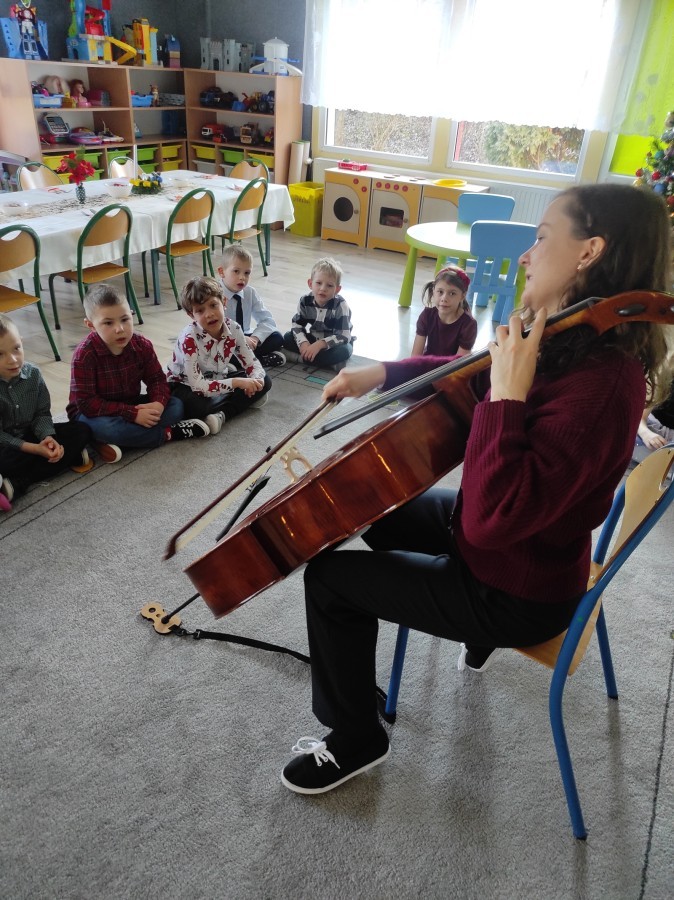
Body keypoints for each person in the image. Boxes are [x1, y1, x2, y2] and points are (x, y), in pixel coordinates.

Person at [279, 183, 672, 795]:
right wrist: (381, 373)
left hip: (515, 591)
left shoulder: (601, 386)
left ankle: (356, 736)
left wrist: (507, 397)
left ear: (589, 251)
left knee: (330, 581)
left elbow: (493, 517)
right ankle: (387, 654)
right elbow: (469, 374)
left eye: (542, 238)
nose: (526, 255)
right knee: (377, 506)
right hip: (518, 547)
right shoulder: (570, 340)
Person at [67, 284, 209, 463]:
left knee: (175, 406)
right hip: (93, 414)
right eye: (108, 323)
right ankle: (168, 434)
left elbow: (156, 379)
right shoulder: (84, 355)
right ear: (91, 325)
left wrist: (157, 404)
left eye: (125, 319)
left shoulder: (141, 344)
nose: (120, 329)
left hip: (131, 403)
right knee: (106, 428)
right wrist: (132, 414)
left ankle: (112, 442)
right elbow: (87, 403)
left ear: (132, 314)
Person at [0, 313, 91, 509]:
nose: (13, 359)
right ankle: (24, 480)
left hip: (32, 435)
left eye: (16, 348)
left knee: (81, 430)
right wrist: (35, 449)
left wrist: (48, 438)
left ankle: (17, 480)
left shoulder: (33, 374)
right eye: (0, 354)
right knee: (5, 462)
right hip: (6, 446)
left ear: (22, 342)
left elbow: (42, 414)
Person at [166, 275, 271, 435]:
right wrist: (238, 383)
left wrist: (256, 380)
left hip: (217, 377)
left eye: (213, 305)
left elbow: (252, 363)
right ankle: (235, 403)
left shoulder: (234, 328)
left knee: (265, 381)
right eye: (200, 310)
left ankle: (223, 414)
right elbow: (198, 386)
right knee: (198, 406)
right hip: (184, 385)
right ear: (191, 315)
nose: (209, 314)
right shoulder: (189, 339)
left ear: (224, 302)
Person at [217, 246, 286, 369]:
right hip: (225, 340)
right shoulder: (214, 295)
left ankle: (243, 363)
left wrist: (255, 338)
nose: (242, 277)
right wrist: (240, 340)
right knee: (216, 352)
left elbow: (267, 320)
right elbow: (215, 330)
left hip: (247, 338)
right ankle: (256, 361)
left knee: (277, 337)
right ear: (222, 272)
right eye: (236, 271)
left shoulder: (250, 292)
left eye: (247, 273)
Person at [282, 257, 354, 370]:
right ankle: (328, 363)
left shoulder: (340, 305)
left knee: (344, 351)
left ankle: (299, 358)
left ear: (337, 289)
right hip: (313, 339)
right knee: (287, 337)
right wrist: (303, 343)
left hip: (334, 344)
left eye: (329, 285)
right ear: (310, 284)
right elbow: (297, 325)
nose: (323, 288)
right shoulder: (305, 300)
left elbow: (344, 335)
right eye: (319, 283)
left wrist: (320, 344)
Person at [411, 265, 477, 358]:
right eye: (440, 292)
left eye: (452, 293)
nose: (444, 298)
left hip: (453, 366)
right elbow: (415, 358)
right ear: (433, 291)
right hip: (428, 364)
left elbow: (459, 364)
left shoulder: (469, 325)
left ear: (462, 296)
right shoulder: (426, 315)